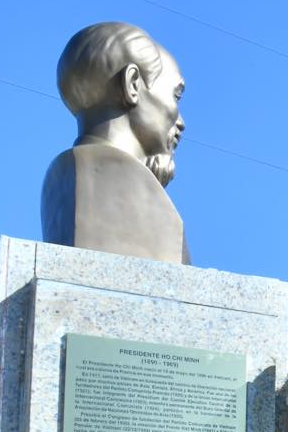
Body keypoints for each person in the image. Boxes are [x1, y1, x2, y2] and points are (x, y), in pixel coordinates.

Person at [41, 22, 190, 263]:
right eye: (176, 96)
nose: (181, 122)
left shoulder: (57, 179)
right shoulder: (121, 182)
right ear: (132, 84)